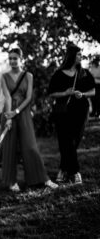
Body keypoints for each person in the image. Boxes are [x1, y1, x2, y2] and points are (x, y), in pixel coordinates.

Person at [1, 47, 58, 192]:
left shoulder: (28, 76)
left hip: (23, 112)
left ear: (21, 59)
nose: (13, 61)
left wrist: (17, 111)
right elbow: (7, 97)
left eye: (15, 58)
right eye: (10, 58)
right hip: (9, 114)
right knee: (10, 148)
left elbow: (28, 97)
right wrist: (9, 116)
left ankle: (41, 179)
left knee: (30, 146)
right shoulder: (4, 77)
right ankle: (10, 182)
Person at [48, 43, 95, 184]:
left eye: (81, 54)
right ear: (72, 56)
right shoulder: (58, 74)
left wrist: (83, 94)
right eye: (79, 54)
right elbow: (51, 94)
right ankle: (75, 172)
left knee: (73, 142)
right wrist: (65, 93)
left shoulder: (85, 73)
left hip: (81, 111)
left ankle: (63, 169)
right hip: (63, 111)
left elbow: (94, 91)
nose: (81, 57)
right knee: (65, 141)